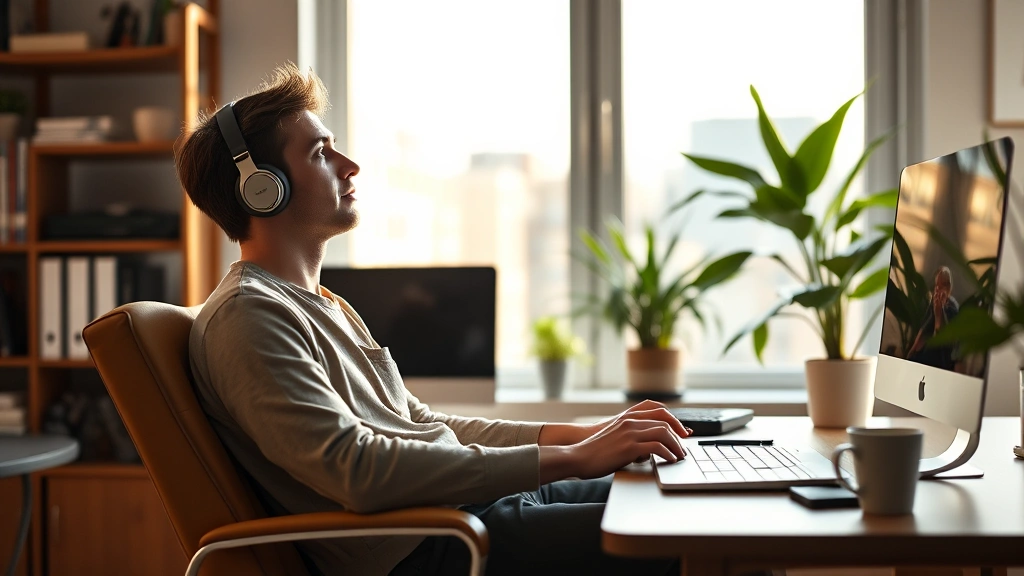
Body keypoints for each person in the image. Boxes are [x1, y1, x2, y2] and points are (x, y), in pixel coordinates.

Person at [174, 63, 690, 576]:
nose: (349, 165)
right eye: (320, 153)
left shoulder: (322, 304)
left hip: (465, 512)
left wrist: (582, 438)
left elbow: (426, 426)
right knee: (686, 541)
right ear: (261, 188)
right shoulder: (248, 316)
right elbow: (357, 471)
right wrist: (577, 458)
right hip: (430, 548)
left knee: (674, 492)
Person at [908, 266, 960, 371]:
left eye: (943, 285)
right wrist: (913, 349)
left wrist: (939, 312)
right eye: (937, 285)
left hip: (942, 356)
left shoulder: (952, 307)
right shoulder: (933, 301)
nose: (939, 289)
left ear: (949, 287)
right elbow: (924, 326)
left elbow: (942, 339)